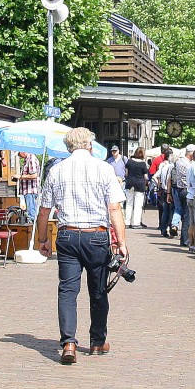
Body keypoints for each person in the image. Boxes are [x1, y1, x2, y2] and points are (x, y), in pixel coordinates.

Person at [36, 127, 127, 364]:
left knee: (67, 291)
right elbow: (114, 208)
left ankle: (68, 343)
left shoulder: (56, 170)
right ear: (90, 145)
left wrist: (42, 239)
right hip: (96, 236)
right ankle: (97, 341)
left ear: (68, 147)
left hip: (67, 235)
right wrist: (121, 242)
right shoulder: (104, 169)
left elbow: (44, 211)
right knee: (98, 290)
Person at [170, 145, 192, 244]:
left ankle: (184, 238)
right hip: (186, 190)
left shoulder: (178, 161)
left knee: (181, 211)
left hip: (179, 190)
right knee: (187, 215)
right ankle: (185, 240)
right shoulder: (187, 164)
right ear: (190, 153)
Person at [124, 146, 149, 228]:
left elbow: (126, 173)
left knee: (129, 203)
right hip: (139, 184)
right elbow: (145, 176)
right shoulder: (143, 163)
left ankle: (127, 222)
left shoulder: (130, 161)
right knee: (138, 204)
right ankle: (136, 223)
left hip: (130, 183)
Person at [153, 153, 175, 237]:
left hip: (163, 190)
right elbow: (170, 180)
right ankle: (170, 228)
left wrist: (159, 184)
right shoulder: (171, 167)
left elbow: (155, 176)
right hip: (170, 191)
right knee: (171, 211)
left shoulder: (163, 167)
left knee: (165, 211)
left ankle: (163, 230)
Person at [17, 151, 41, 222]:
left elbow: (34, 175)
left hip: (31, 191)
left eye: (19, 153)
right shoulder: (27, 159)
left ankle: (33, 231)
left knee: (31, 215)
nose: (19, 155)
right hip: (28, 191)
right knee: (30, 213)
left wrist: (20, 176)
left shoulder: (31, 158)